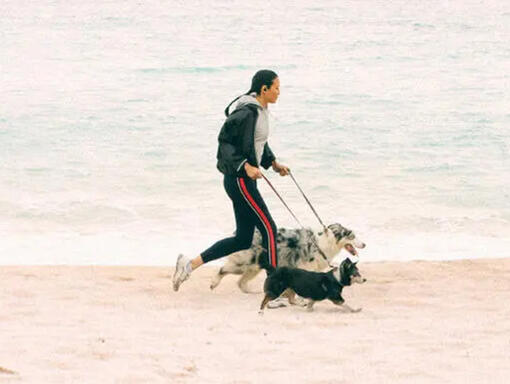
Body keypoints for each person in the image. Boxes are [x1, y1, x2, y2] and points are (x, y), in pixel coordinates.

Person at [173, 69, 289, 291]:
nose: (279, 92)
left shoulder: (261, 111)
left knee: (243, 239)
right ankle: (275, 289)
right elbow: (225, 142)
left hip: (244, 181)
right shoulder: (247, 112)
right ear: (264, 89)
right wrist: (245, 166)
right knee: (269, 228)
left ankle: (188, 266)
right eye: (276, 88)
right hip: (239, 180)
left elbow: (257, 142)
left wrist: (273, 163)